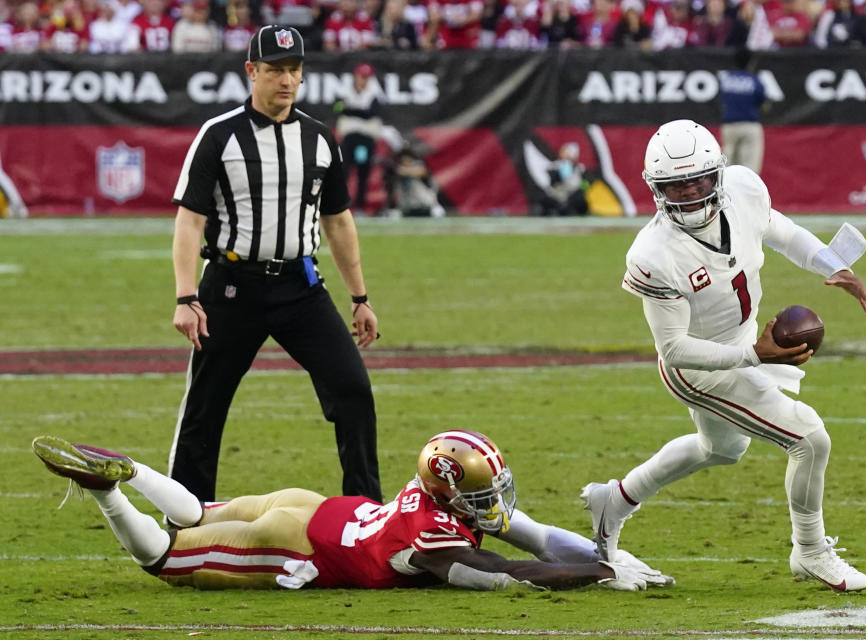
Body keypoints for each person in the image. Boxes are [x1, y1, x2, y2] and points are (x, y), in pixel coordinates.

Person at [580, 120, 866, 592]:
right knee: (809, 438)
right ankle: (811, 551)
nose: (690, 193)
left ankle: (614, 499)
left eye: (697, 180)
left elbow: (780, 229)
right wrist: (754, 356)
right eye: (675, 186)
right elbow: (674, 348)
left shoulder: (742, 188)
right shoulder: (653, 253)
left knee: (720, 449)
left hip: (743, 342)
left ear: (717, 174)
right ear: (657, 190)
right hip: (696, 368)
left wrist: (832, 263)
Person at [32, 430, 674, 591]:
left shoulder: (433, 492)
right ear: (452, 489)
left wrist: (607, 555)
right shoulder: (434, 539)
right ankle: (107, 490)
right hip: (293, 542)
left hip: (315, 506)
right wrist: (602, 576)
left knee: (196, 514)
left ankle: (135, 470)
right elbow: (511, 572)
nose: (496, 503)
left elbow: (536, 537)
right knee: (165, 557)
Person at [170, 25, 382, 506]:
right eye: (275, 70)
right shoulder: (219, 135)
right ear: (252, 72)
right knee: (205, 408)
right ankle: (185, 523)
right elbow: (189, 221)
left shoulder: (320, 138)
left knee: (353, 390)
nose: (286, 80)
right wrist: (186, 297)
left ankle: (366, 514)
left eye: (294, 71)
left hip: (299, 287)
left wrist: (360, 297)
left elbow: (339, 222)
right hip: (230, 287)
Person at [334, 63, 382, 216]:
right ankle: (342, 205)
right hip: (349, 138)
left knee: (363, 172)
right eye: (362, 77)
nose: (364, 81)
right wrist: (359, 112)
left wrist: (350, 110)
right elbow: (337, 108)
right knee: (345, 171)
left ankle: (360, 207)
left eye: (367, 78)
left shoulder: (374, 93)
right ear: (356, 76)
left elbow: (371, 113)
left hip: (365, 139)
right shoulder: (344, 91)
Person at [719, 48, 768, 176]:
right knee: (750, 172)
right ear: (751, 62)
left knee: (727, 169)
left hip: (729, 127)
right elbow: (764, 104)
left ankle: (727, 196)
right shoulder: (754, 80)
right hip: (749, 126)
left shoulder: (726, 79)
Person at [538, 142, 588, 217]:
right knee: (543, 198)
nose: (567, 154)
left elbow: (585, 186)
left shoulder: (581, 169)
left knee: (580, 198)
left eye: (569, 152)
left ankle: (567, 208)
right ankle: (559, 208)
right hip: (558, 195)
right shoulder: (554, 166)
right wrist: (558, 175)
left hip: (572, 197)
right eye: (565, 151)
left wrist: (582, 185)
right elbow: (551, 184)